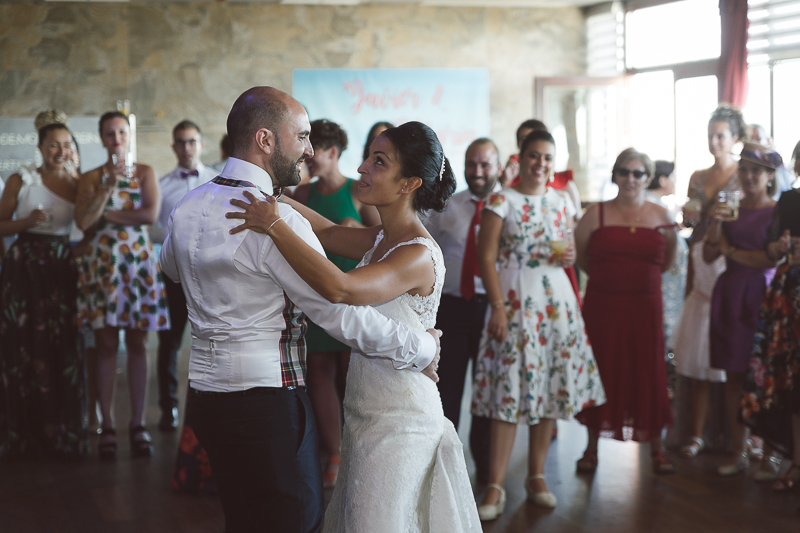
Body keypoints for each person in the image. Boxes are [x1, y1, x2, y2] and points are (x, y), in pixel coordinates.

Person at [160, 87, 444, 533]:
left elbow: (173, 270)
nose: (310, 150)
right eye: (303, 136)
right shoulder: (276, 224)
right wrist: (423, 349)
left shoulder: (188, 205)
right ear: (266, 141)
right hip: (268, 401)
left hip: (207, 400)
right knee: (294, 521)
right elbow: (337, 309)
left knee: (242, 518)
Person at [225, 118, 480, 532]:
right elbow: (324, 230)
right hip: (364, 412)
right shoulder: (382, 239)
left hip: (402, 420)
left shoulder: (417, 255)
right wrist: (272, 197)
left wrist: (272, 224)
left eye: (379, 161)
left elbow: (342, 288)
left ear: (408, 184)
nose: (362, 168)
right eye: (368, 157)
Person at [471, 130, 605, 520]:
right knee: (506, 392)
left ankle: (536, 476)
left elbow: (569, 252)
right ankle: (495, 485)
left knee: (547, 388)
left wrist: (571, 253)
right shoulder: (502, 199)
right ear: (523, 157)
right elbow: (486, 256)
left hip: (556, 304)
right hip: (513, 299)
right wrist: (497, 306)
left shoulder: (563, 200)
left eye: (547, 158)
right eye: (534, 156)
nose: (540, 164)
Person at [575, 147, 678, 475]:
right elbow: (581, 257)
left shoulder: (663, 216)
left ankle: (657, 449)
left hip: (646, 306)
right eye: (624, 172)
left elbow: (670, 261)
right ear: (615, 175)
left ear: (649, 178)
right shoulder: (596, 213)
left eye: (638, 173)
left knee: (649, 371)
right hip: (603, 305)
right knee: (602, 370)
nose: (630, 179)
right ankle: (591, 448)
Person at [289, 118, 380, 487]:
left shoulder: (358, 192)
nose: (309, 159)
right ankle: (335, 450)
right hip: (317, 294)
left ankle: (361, 451)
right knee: (320, 373)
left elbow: (383, 240)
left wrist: (355, 231)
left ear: (333, 152)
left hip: (355, 294)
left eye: (316, 152)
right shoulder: (304, 195)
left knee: (352, 373)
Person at [74, 111, 169, 459]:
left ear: (129, 135)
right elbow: (83, 221)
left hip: (137, 266)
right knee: (104, 344)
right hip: (103, 266)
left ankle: (139, 423)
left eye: (121, 132)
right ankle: (108, 424)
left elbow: (150, 215)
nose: (116, 139)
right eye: (110, 134)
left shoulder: (144, 172)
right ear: (101, 139)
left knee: (139, 342)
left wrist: (106, 216)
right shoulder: (89, 178)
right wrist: (107, 189)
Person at [0, 110, 87, 459]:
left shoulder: (80, 183)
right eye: (54, 145)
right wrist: (25, 222)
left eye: (66, 144)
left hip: (61, 271)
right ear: (40, 147)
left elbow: (89, 226)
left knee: (62, 344)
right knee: (23, 346)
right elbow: (0, 224)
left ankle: (61, 430)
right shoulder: (21, 180)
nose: (61, 151)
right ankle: (23, 431)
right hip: (24, 271)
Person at [424, 137, 502, 485]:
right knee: (448, 387)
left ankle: (487, 470)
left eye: (485, 164)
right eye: (472, 164)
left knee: (487, 391)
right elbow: (428, 251)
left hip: (492, 309)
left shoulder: (507, 209)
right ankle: (446, 464)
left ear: (498, 168)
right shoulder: (448, 208)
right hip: (453, 309)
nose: (478, 171)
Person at [705, 143, 779, 476]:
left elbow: (770, 259)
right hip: (731, 293)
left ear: (769, 176)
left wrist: (729, 250)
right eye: (744, 170)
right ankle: (739, 451)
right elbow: (709, 256)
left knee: (764, 375)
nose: (749, 177)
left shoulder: (778, 211)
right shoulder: (729, 208)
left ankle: (767, 452)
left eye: (756, 171)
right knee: (734, 374)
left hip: (763, 294)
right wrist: (715, 228)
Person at [674, 105, 744, 458]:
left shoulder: (743, 175)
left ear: (735, 139)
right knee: (697, 345)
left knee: (727, 351)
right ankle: (696, 432)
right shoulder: (698, 177)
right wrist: (688, 217)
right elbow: (690, 223)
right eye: (710, 135)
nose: (714, 142)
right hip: (699, 257)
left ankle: (730, 434)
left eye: (721, 135)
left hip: (731, 260)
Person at [741, 140, 800, 490]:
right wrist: (777, 248)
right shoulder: (791, 200)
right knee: (790, 382)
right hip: (789, 297)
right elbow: (771, 248)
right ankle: (795, 462)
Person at [154, 120, 216, 431]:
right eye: (180, 142)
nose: (187, 147)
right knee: (169, 341)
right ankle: (169, 408)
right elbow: (151, 231)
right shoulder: (162, 186)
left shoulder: (219, 182)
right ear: (173, 146)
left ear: (201, 144)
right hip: (174, 275)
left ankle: (209, 404)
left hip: (211, 275)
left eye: (192, 141)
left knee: (211, 337)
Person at [646, 161, 688, 350]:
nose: (674, 182)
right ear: (663, 180)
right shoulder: (651, 205)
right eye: (672, 178)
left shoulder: (657, 205)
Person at [747, 124, 795, 195]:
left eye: (758, 138)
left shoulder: (780, 167)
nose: (754, 143)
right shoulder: (741, 167)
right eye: (750, 139)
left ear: (767, 140)